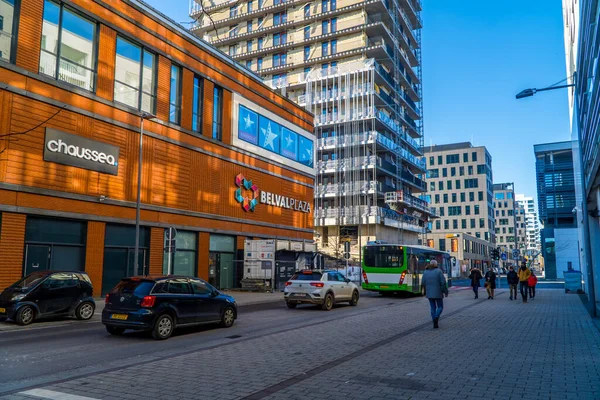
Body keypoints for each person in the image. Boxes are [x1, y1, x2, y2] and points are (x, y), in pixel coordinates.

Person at [421, 260, 449, 329]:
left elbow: (423, 282)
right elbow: (443, 282)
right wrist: (445, 291)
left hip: (429, 293)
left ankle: (434, 321)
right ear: (436, 264)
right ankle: (436, 317)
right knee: (440, 306)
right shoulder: (439, 271)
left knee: (432, 307)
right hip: (438, 292)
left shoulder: (425, 272)